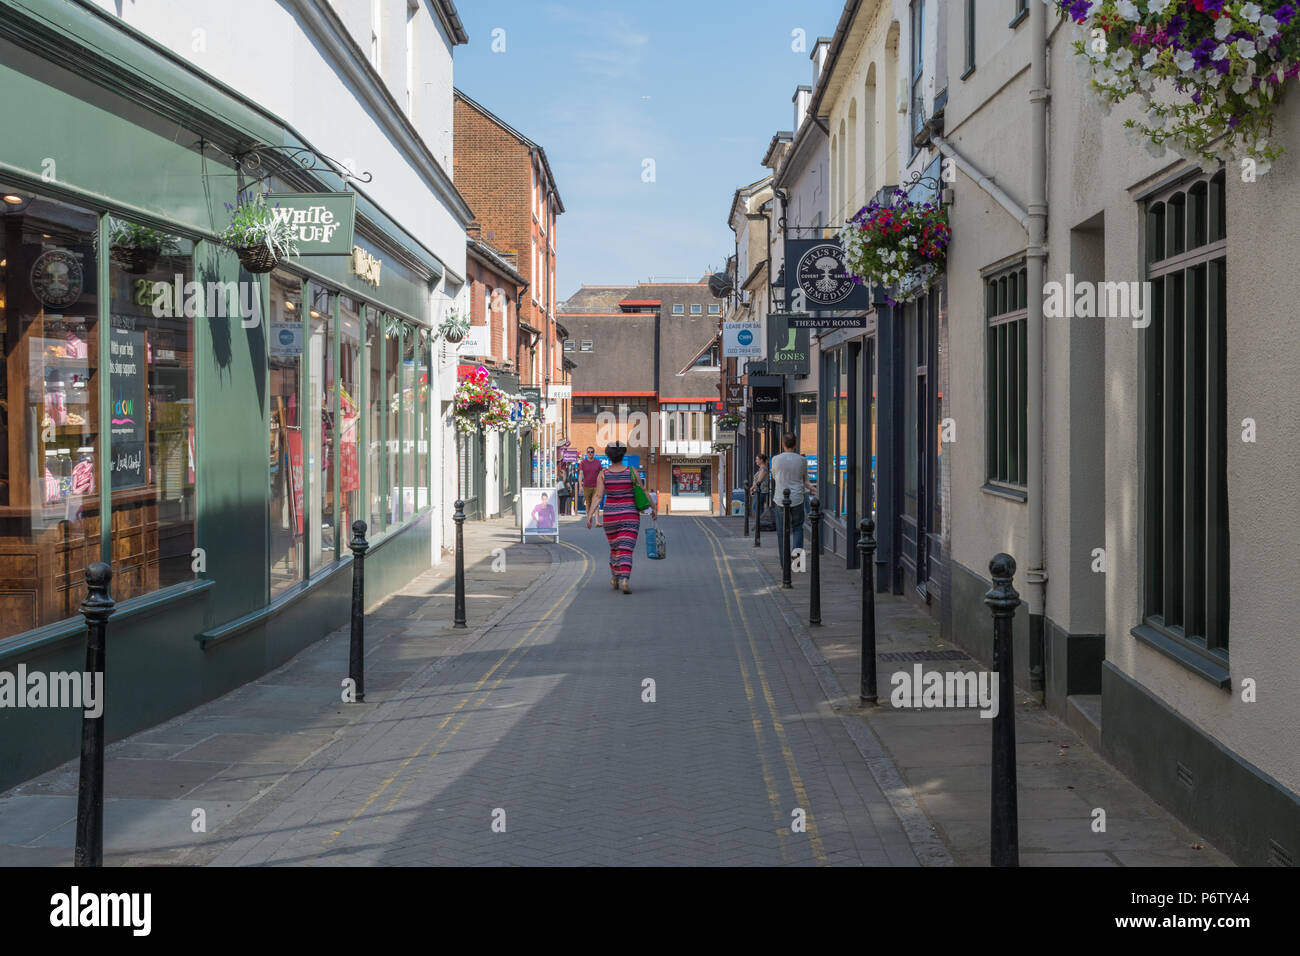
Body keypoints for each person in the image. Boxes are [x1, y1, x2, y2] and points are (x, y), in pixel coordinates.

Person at [586, 442, 655, 593]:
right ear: (623, 455)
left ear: (609, 456)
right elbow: (643, 491)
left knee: (615, 547)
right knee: (626, 548)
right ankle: (624, 579)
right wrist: (653, 509)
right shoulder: (631, 471)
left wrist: (590, 516)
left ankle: (615, 576)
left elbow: (598, 496)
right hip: (630, 516)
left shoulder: (603, 474)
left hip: (611, 517)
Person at [770, 433, 817, 554]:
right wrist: (814, 489)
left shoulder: (775, 459)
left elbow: (775, 477)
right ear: (795, 444)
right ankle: (797, 563)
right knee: (797, 528)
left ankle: (783, 564)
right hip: (797, 499)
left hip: (780, 499)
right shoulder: (802, 460)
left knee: (781, 532)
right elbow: (805, 480)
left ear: (783, 444)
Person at [578, 446, 603, 521]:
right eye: (588, 452)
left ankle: (597, 521)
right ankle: (589, 520)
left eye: (591, 452)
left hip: (596, 486)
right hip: (586, 486)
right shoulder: (583, 462)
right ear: (586, 453)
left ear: (594, 453)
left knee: (596, 503)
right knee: (588, 503)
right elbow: (580, 474)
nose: (590, 453)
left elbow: (601, 473)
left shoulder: (597, 462)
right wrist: (580, 486)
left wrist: (602, 483)